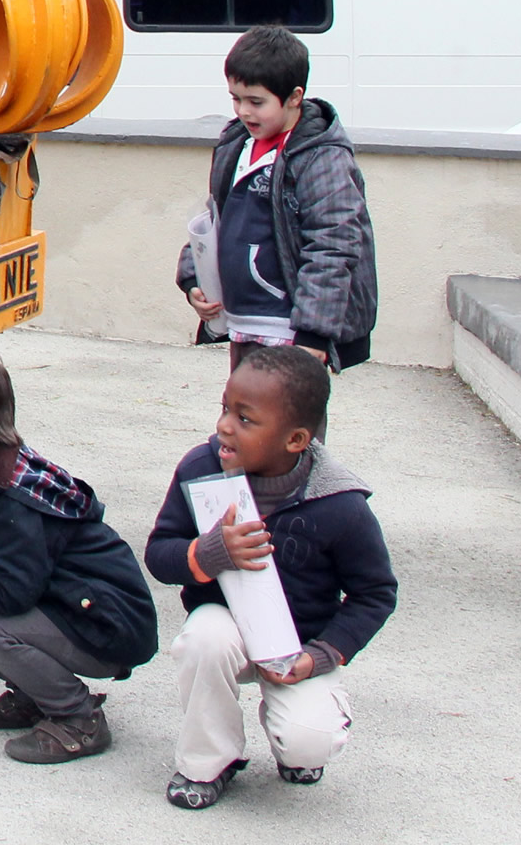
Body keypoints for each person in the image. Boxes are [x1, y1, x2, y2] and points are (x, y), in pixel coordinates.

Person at [148, 346, 394, 808]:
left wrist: (321, 655)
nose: (224, 426)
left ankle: (294, 741)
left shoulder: (339, 503)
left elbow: (375, 593)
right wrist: (207, 553)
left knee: (308, 741)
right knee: (204, 639)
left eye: (245, 419)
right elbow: (160, 554)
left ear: (296, 439)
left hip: (299, 648)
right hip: (227, 630)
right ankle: (209, 762)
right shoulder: (200, 469)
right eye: (225, 408)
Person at [0, 346, 159, 765]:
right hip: (65, 606)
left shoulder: (8, 497)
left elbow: (12, 593)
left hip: (107, 624)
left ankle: (78, 718)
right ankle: (34, 695)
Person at [180, 26, 379, 370]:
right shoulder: (235, 144)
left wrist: (314, 332)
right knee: (241, 404)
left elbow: (334, 245)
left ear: (294, 97)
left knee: (274, 407)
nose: (244, 111)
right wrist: (193, 279)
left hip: (290, 330)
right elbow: (217, 218)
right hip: (243, 321)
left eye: (256, 102)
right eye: (236, 99)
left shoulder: (321, 158)